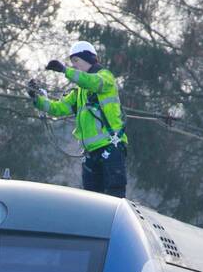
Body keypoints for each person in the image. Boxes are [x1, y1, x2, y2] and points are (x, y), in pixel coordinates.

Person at [28, 41, 128, 198]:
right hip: (91, 153)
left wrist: (64, 70)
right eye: (72, 63)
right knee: (92, 200)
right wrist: (37, 99)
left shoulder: (105, 78)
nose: (74, 66)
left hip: (110, 147)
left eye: (76, 61)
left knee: (113, 197)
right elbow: (58, 108)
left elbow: (92, 82)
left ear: (88, 59)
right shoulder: (79, 92)